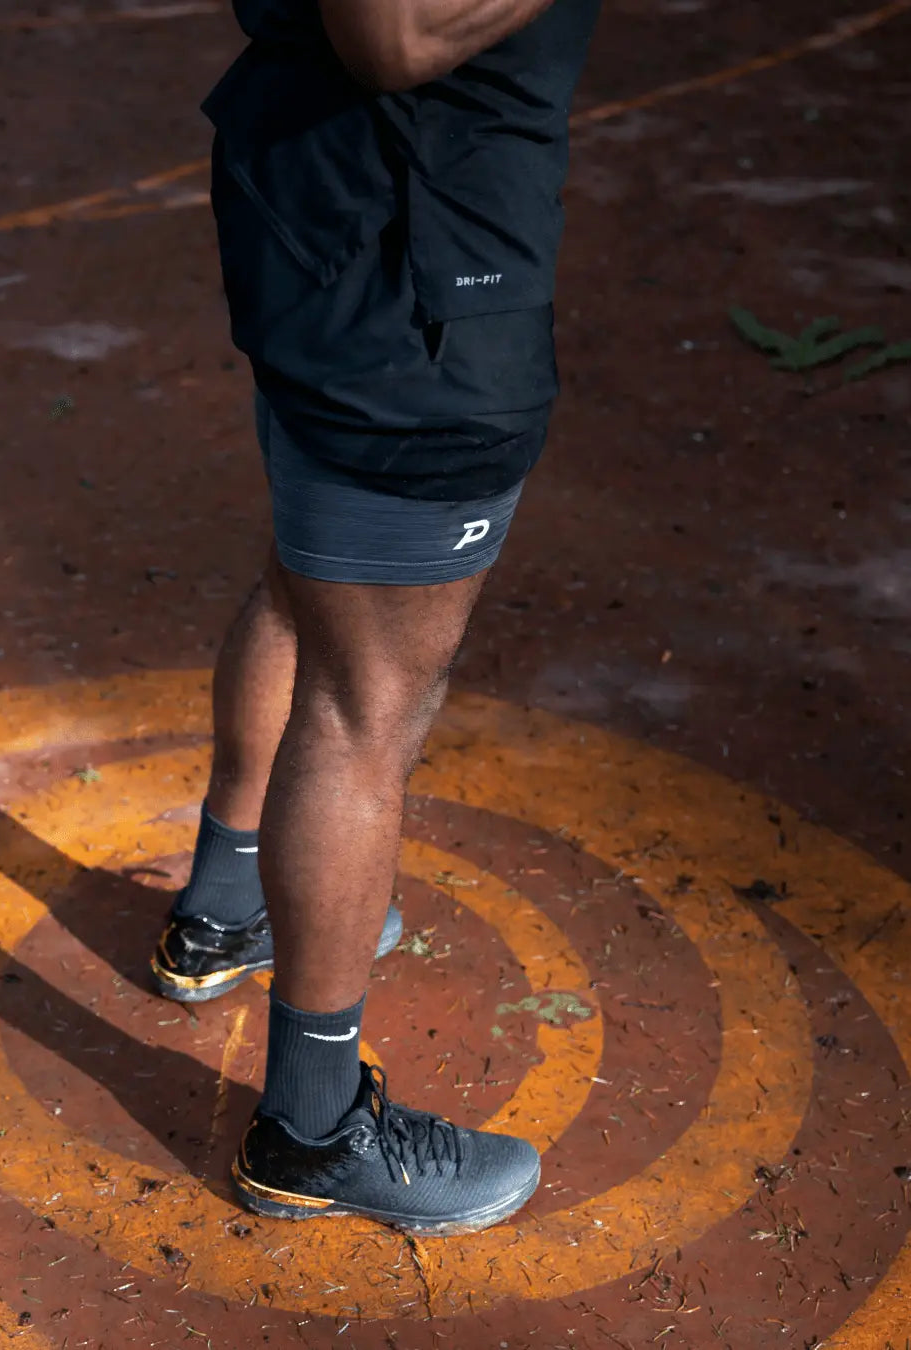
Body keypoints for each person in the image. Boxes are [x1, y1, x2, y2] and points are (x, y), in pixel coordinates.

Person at [150, 0, 602, 1235]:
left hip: (330, 237)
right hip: (421, 296)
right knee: (367, 710)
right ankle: (312, 1127)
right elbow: (392, 34)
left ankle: (227, 906)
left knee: (308, 587)